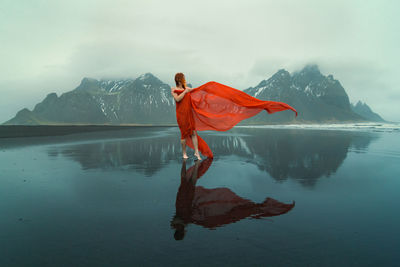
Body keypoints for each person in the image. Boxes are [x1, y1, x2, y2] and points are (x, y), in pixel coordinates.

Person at [171, 72, 298, 160]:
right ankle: (184, 154)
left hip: (189, 113)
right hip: (181, 114)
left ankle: (197, 153)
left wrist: (196, 89)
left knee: (193, 132)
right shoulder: (173, 89)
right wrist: (185, 92)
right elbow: (177, 99)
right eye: (182, 78)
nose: (184, 80)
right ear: (179, 79)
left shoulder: (187, 88)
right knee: (184, 134)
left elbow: (196, 92)